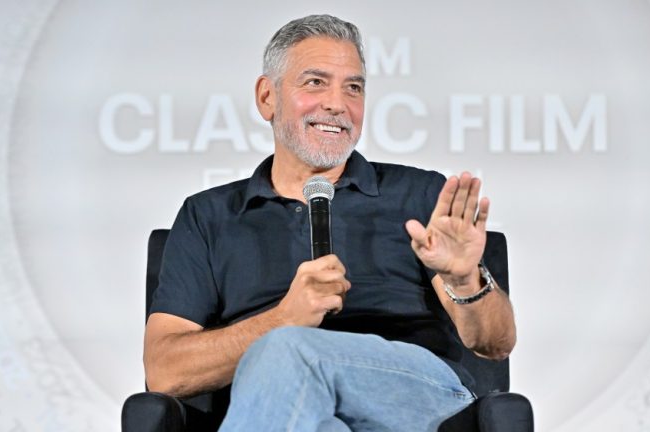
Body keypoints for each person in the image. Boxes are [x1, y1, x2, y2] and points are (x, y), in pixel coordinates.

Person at [143, 14, 516, 431]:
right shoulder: (208, 216)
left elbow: (496, 344)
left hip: (413, 395)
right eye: (315, 82)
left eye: (353, 88)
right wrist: (283, 319)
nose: (337, 104)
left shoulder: (419, 194)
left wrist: (466, 280)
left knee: (289, 352)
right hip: (285, 412)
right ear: (267, 97)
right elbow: (165, 371)